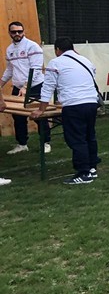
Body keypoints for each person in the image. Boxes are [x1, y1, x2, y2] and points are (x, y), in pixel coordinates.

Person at [30, 37, 101, 185]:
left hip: (74, 105)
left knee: (77, 139)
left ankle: (84, 173)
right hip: (91, 103)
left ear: (57, 49)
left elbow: (48, 87)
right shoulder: (85, 60)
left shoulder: (55, 63)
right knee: (89, 136)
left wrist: (41, 110)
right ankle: (92, 167)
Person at [0, 21, 52, 154]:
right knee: (18, 116)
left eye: (20, 31)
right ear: (9, 33)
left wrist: (25, 87)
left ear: (24, 32)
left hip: (35, 86)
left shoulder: (32, 46)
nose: (17, 34)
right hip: (18, 87)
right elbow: (10, 70)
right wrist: (1, 84)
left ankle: (45, 142)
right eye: (14, 32)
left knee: (39, 115)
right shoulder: (9, 49)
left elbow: (36, 69)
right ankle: (22, 144)